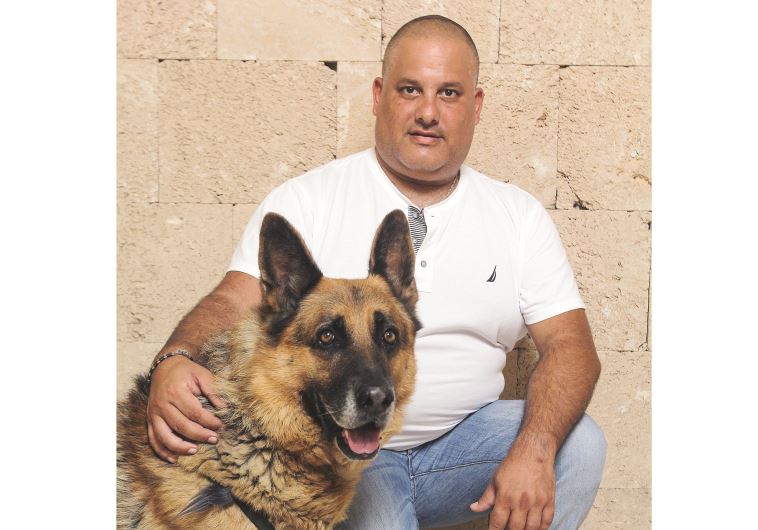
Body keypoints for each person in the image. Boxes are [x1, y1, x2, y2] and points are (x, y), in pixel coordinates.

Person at [145, 15, 606, 530]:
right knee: (379, 517)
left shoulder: (517, 215)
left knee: (580, 446)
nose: (428, 112)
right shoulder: (308, 198)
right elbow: (234, 300)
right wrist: (175, 356)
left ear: (475, 106)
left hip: (464, 446)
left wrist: (535, 449)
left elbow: (571, 345)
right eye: (410, 89)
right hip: (347, 456)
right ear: (378, 95)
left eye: (449, 93)